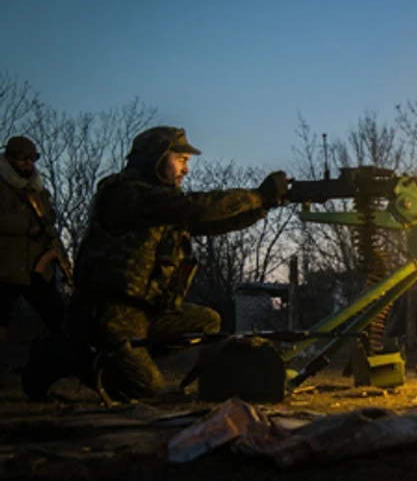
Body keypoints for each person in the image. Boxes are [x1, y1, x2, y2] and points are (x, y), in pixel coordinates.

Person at [22, 126, 290, 401]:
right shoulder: (127, 194)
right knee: (144, 389)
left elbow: (213, 221)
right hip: (108, 312)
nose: (186, 170)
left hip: (147, 312)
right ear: (157, 158)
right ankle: (64, 351)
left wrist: (263, 206)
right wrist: (257, 195)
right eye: (181, 160)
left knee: (207, 322)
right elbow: (197, 207)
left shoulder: (161, 206)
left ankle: (123, 355)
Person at [0, 135, 68, 345]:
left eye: (33, 157)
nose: (29, 163)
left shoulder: (37, 190)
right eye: (23, 158)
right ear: (10, 158)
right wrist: (26, 226)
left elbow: (49, 221)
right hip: (5, 267)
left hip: (37, 268)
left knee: (61, 322)